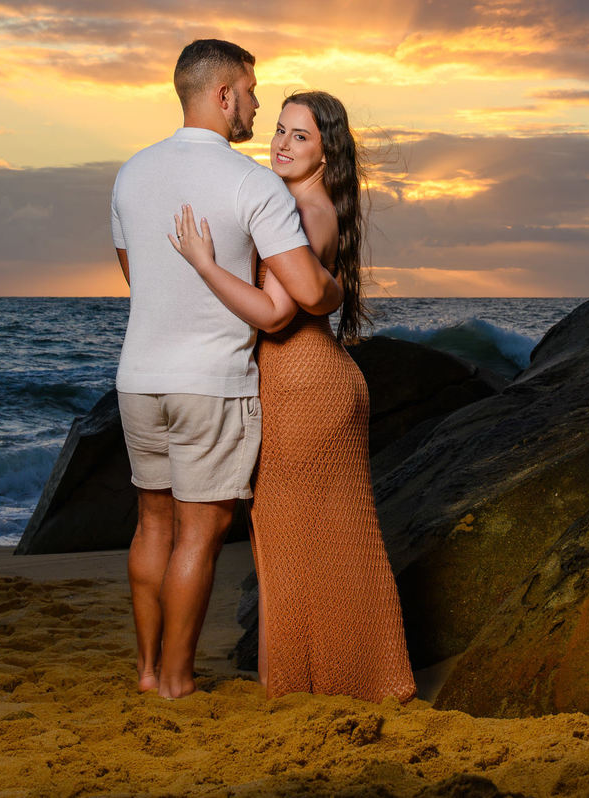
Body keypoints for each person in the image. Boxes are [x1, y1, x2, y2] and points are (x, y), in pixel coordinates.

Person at [168, 92, 417, 703]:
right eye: (278, 129)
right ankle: (339, 679)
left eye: (299, 136)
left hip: (303, 385)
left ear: (326, 150)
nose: (280, 142)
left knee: (300, 542)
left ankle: (317, 683)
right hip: (304, 382)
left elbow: (277, 314)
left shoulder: (306, 211)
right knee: (316, 540)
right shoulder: (303, 204)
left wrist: (204, 265)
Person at [112, 40, 341, 699]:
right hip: (209, 383)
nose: (257, 104)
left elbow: (139, 278)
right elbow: (295, 297)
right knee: (199, 533)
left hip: (137, 379)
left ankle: (149, 670)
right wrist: (333, 292)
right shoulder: (251, 183)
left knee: (151, 523)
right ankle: (179, 681)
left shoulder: (131, 173)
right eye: (252, 91)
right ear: (223, 95)